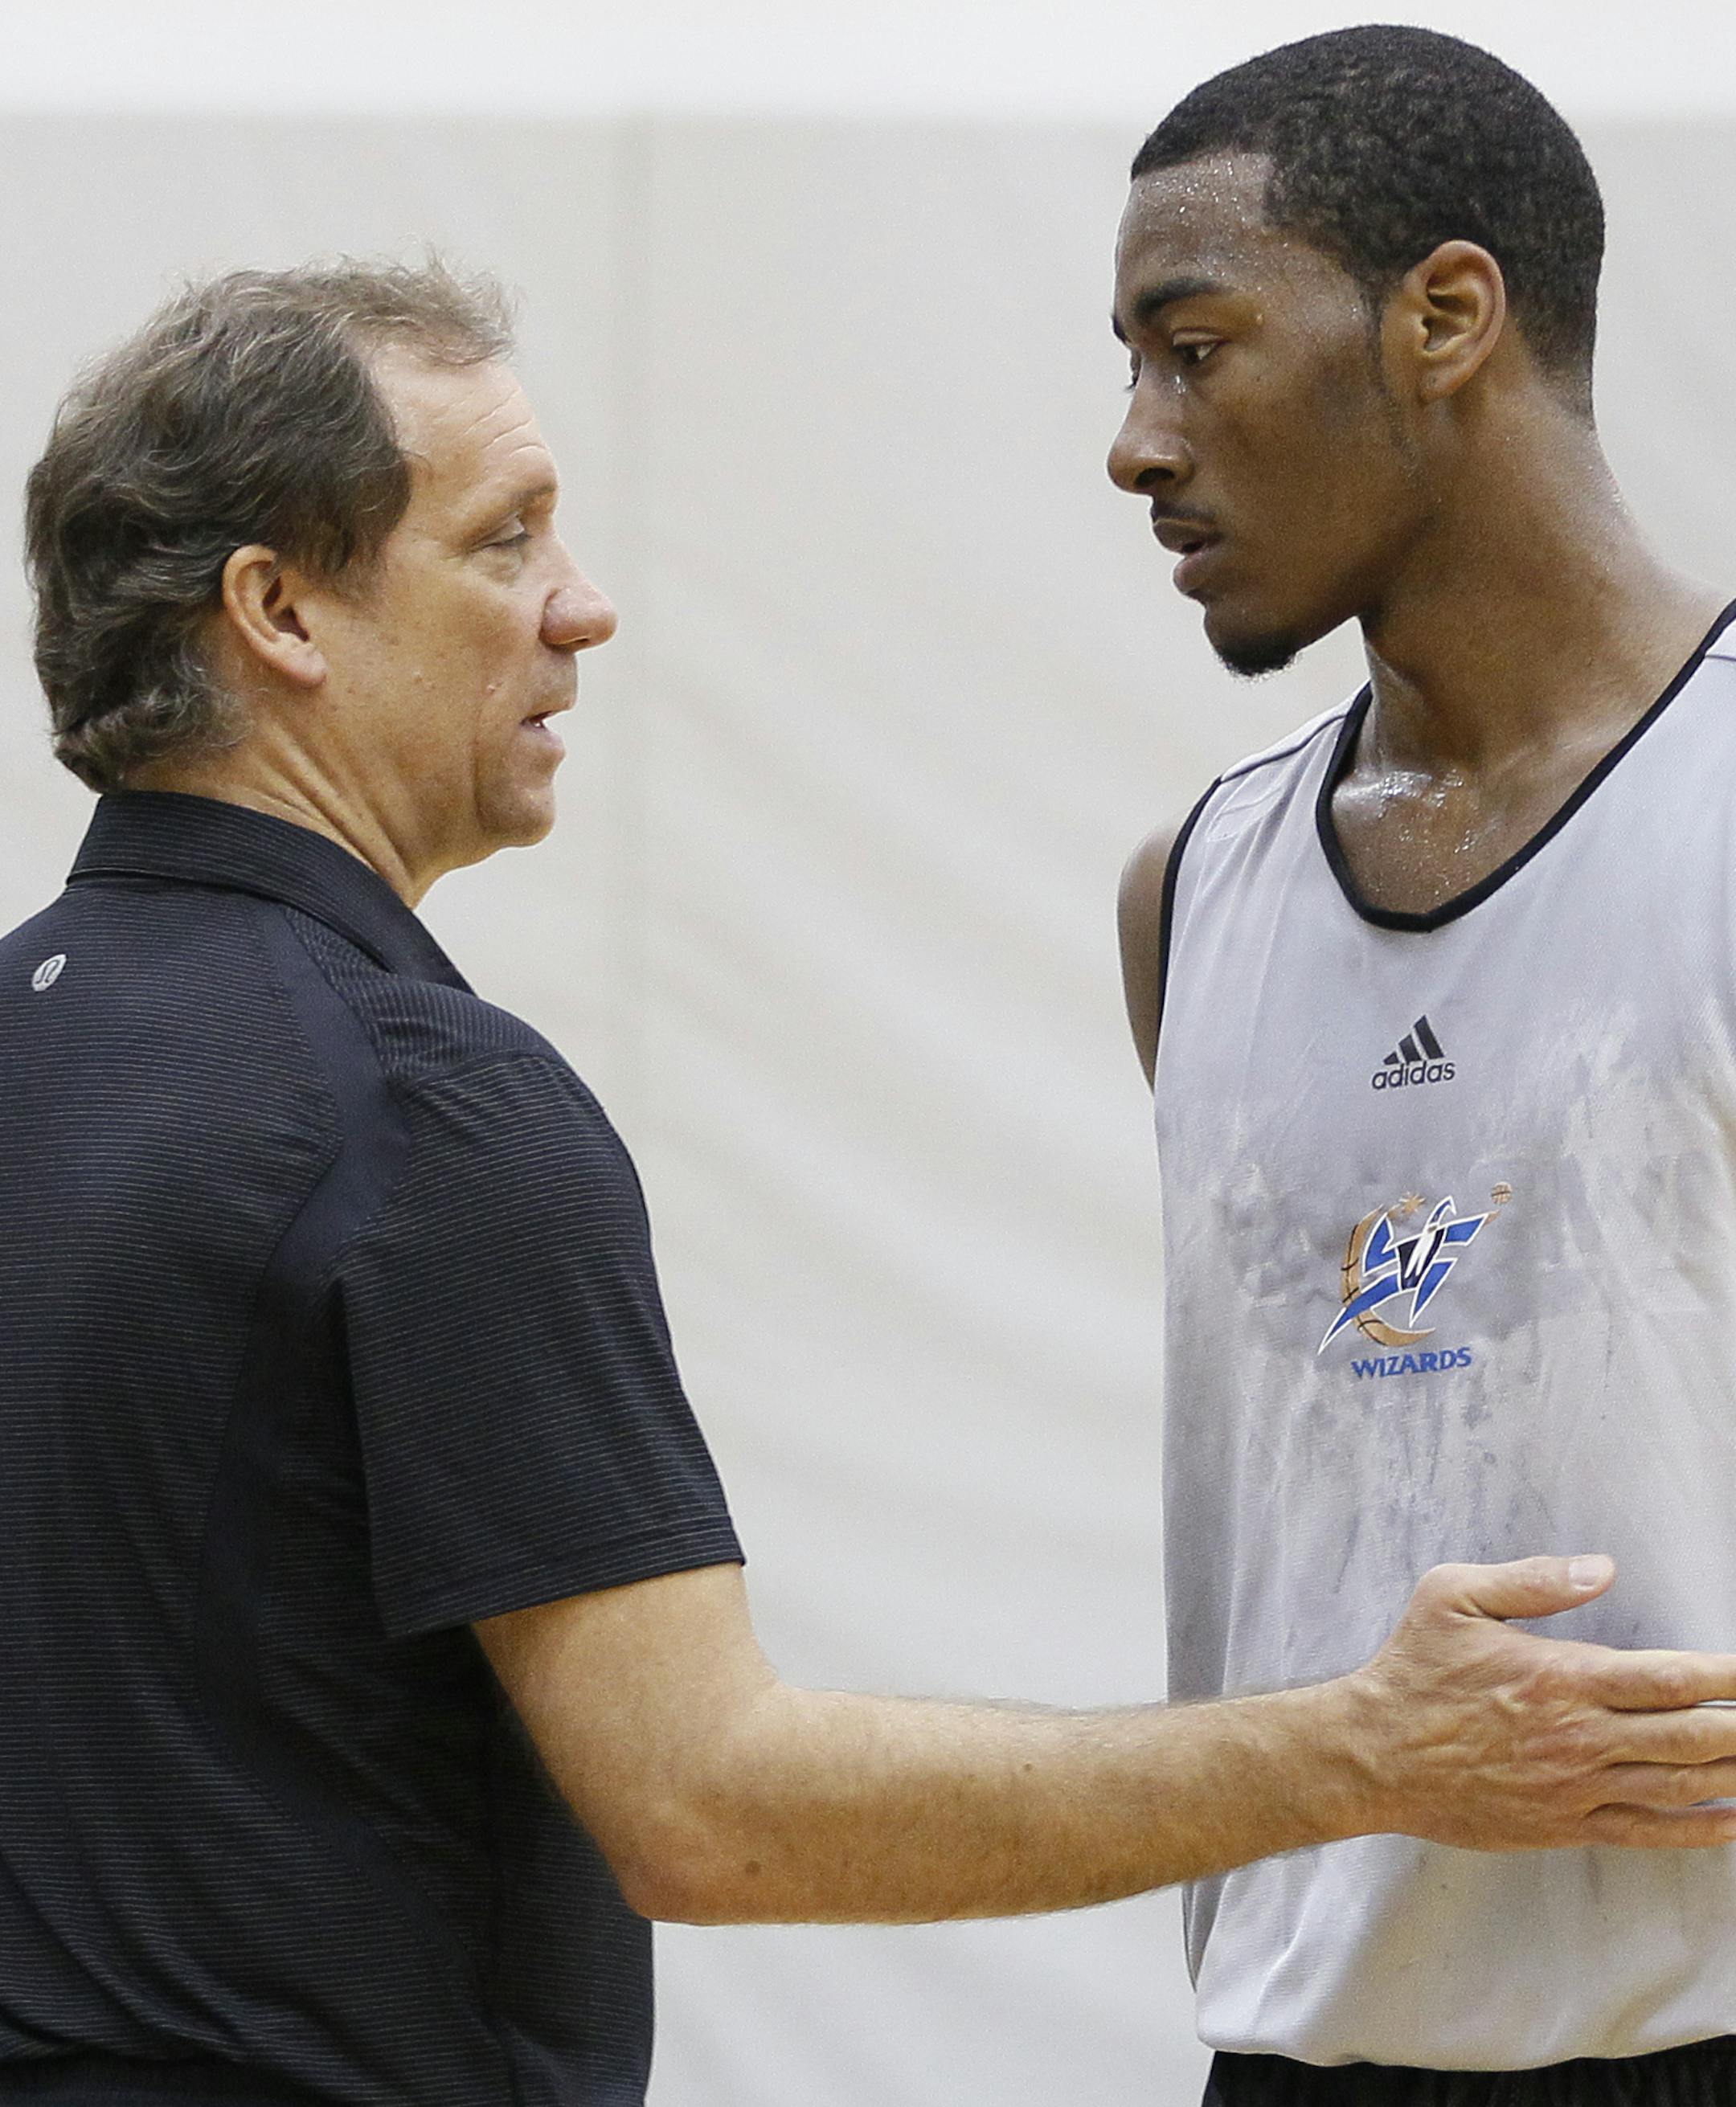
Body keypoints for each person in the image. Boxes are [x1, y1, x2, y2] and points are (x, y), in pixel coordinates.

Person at [3, 265, 1734, 2107]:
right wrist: (1374, 1752)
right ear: (277, 609)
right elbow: (711, 1808)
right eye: (504, 544)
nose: (580, 609)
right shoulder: (428, 1109)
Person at [1110, 24, 1736, 2106]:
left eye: (1193, 348)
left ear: (1447, 316)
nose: (1136, 439)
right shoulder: (1186, 892)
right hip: (1294, 2051)